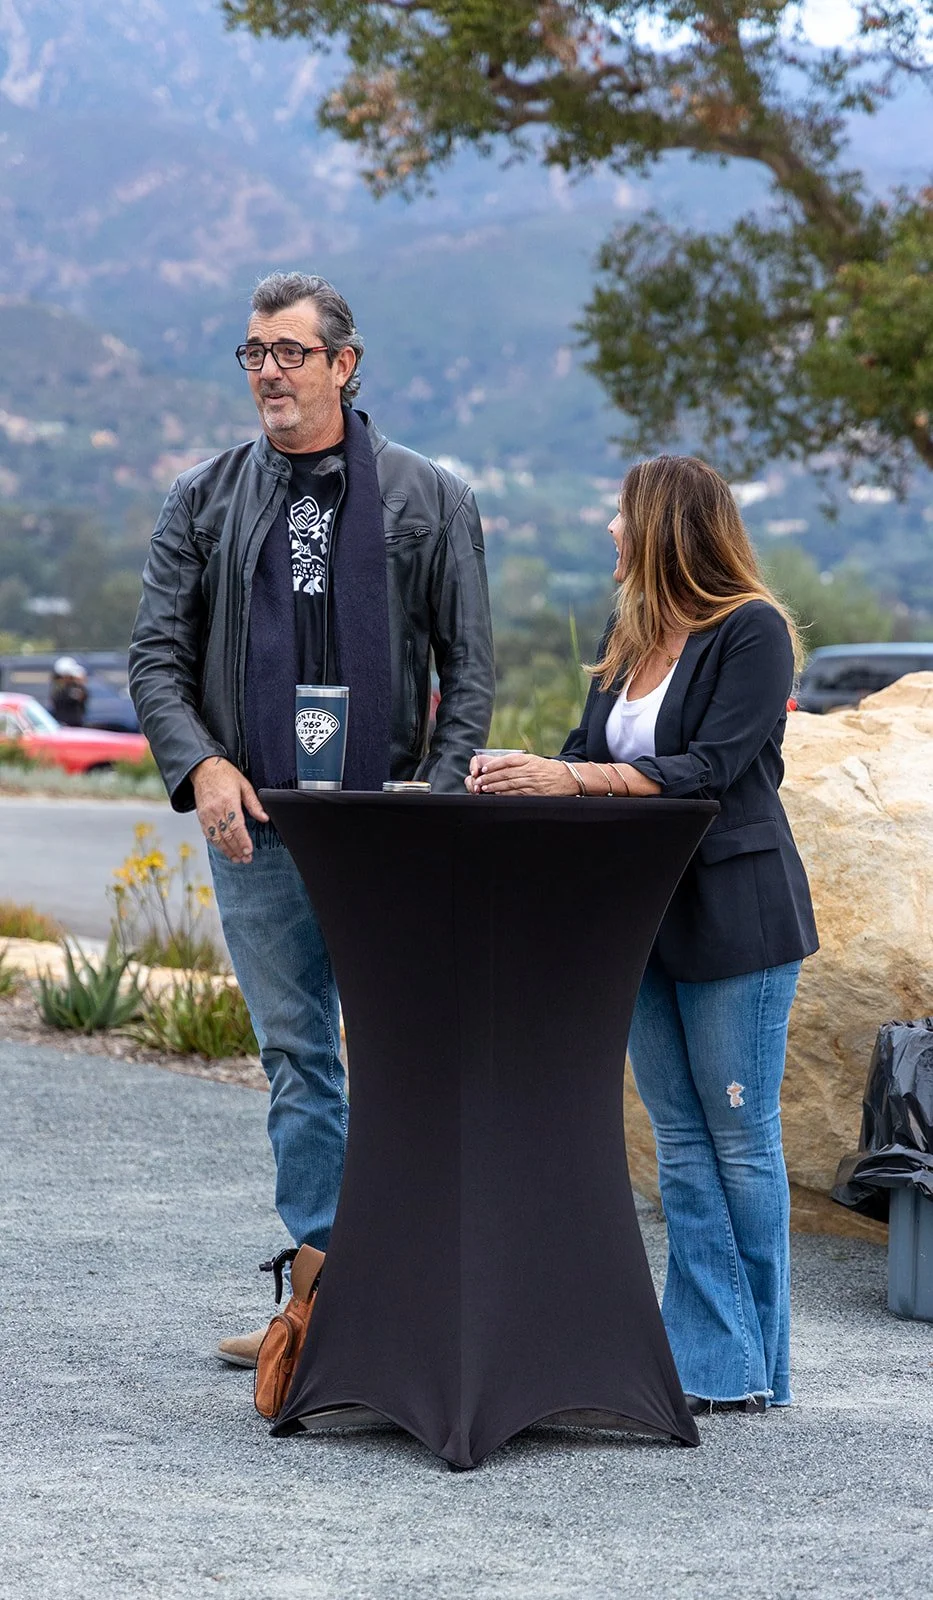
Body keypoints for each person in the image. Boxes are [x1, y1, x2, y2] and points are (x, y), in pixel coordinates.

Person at [129, 271, 495, 1366]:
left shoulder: (431, 499)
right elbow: (155, 657)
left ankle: (419, 1288)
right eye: (253, 353)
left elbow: (468, 673)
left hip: (389, 827)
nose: (269, 372)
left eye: (290, 351)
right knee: (300, 1059)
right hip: (261, 828)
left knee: (406, 1053)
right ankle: (320, 1297)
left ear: (345, 364)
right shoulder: (202, 497)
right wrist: (199, 767)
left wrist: (435, 797)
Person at [469, 454, 818, 1415]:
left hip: (734, 923)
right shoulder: (629, 639)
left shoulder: (751, 633)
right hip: (636, 922)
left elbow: (707, 770)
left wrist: (570, 780)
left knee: (737, 1139)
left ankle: (748, 1367)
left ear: (664, 526)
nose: (610, 534)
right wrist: (524, 774)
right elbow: (585, 756)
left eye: (621, 518)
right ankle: (721, 1363)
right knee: (677, 1142)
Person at [50, 657, 88, 726]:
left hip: (75, 723)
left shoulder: (74, 687)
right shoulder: (61, 689)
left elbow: (82, 697)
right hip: (66, 724)